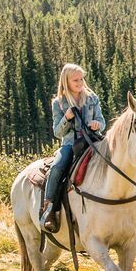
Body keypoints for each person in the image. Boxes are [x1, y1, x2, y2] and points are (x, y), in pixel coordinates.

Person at [38, 62, 105, 233]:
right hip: (70, 144)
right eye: (75, 80)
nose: (80, 83)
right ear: (66, 81)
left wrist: (98, 124)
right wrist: (66, 118)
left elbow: (102, 121)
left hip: (93, 140)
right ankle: (50, 210)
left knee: (119, 158)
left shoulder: (92, 98)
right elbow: (57, 132)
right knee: (57, 167)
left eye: (81, 79)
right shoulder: (59, 103)